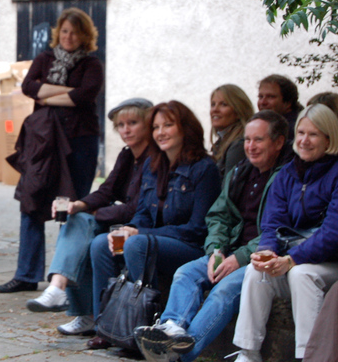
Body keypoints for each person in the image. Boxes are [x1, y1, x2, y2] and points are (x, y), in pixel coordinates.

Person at [135, 110, 290, 362]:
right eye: (247, 140)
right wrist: (216, 250)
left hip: (263, 258)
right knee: (186, 273)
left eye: (258, 140)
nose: (250, 146)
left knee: (224, 290)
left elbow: (279, 231)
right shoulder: (240, 172)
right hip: (229, 251)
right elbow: (219, 215)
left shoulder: (286, 177)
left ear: (279, 142)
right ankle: (171, 328)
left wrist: (239, 258)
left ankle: (180, 354)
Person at [87, 100, 222, 351]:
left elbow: (198, 229)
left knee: (137, 244)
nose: (160, 132)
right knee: (99, 244)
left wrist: (140, 233)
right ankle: (105, 327)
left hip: (189, 247)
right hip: (152, 240)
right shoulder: (152, 165)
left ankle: (144, 332)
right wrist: (128, 228)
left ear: (185, 129)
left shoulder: (204, 168)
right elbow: (141, 213)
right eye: (156, 127)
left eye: (168, 125)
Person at [0, 7, 104, 294]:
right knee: (32, 200)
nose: (69, 37)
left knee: (71, 207)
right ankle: (27, 274)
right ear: (59, 32)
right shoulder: (44, 58)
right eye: (65, 31)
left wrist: (50, 93)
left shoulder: (92, 64)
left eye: (75, 32)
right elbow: (30, 87)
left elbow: (85, 95)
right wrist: (66, 93)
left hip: (80, 143)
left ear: (85, 36)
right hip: (44, 141)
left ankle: (65, 277)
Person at [25, 98, 153, 337]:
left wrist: (94, 212)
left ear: (147, 124)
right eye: (121, 124)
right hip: (121, 222)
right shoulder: (127, 155)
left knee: (87, 232)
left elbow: (137, 208)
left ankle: (72, 302)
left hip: (142, 227)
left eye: (133, 123)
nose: (126, 129)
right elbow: (107, 190)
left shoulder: (154, 158)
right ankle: (67, 298)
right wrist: (78, 205)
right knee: (76, 222)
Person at [231, 103, 338, 362]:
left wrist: (291, 260)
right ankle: (248, 353)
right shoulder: (287, 173)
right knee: (255, 271)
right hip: (291, 257)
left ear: (329, 137)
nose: (304, 140)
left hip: (330, 262)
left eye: (313, 134)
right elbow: (272, 223)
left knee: (303, 274)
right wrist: (267, 252)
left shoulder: (336, 173)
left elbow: (333, 233)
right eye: (300, 133)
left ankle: (308, 355)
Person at [209, 84, 254, 176]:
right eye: (213, 104)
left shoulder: (239, 145)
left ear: (238, 111)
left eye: (223, 104)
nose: (215, 110)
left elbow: (228, 188)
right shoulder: (221, 142)